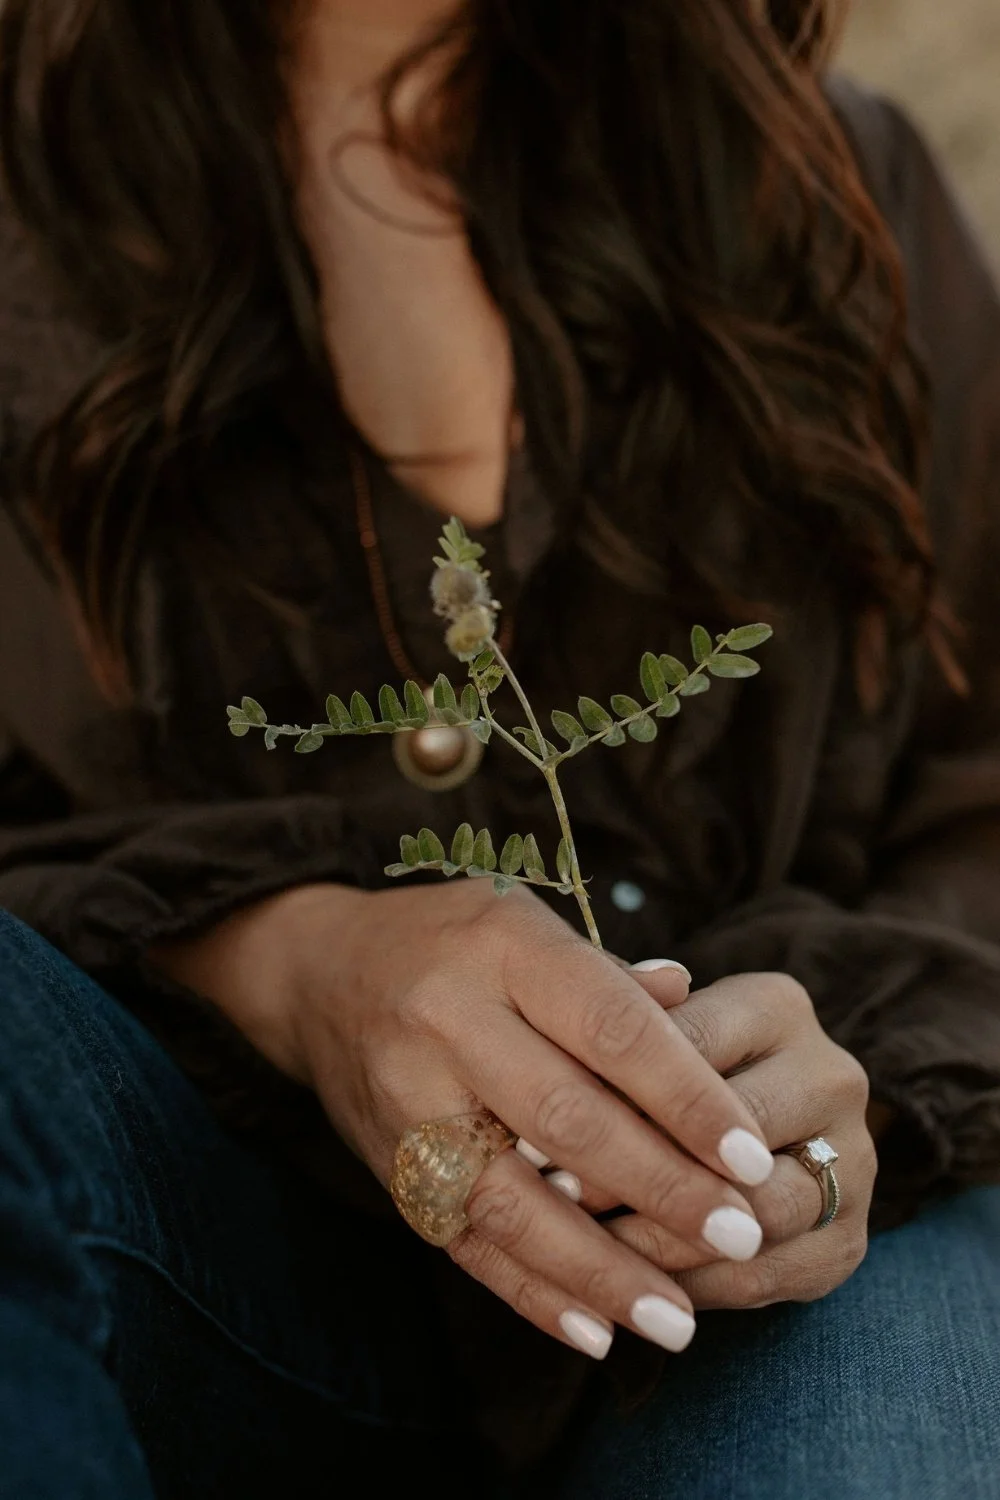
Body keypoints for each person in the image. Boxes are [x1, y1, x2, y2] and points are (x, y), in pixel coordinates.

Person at [0, 1, 998, 1495]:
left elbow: (972, 802)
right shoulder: (33, 205)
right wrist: (295, 963)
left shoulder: (836, 196)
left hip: (765, 1267)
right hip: (207, 1277)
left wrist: (845, 1093)